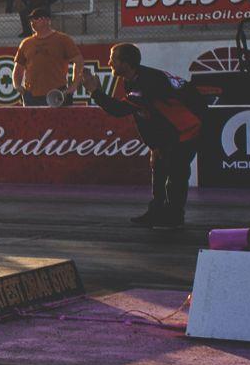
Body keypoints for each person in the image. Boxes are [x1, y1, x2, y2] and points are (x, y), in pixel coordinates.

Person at [80, 46, 206, 230]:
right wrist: (154, 146)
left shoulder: (146, 82)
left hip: (189, 127)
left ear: (126, 63)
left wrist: (95, 92)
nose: (109, 63)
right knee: (160, 166)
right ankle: (157, 210)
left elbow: (120, 110)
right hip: (172, 127)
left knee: (176, 171)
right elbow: (142, 116)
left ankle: (174, 216)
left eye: (113, 59)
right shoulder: (133, 79)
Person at [14, 10, 78, 106]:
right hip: (32, 96)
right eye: (31, 20)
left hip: (57, 95)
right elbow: (18, 68)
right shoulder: (26, 43)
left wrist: (73, 86)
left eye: (34, 19)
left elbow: (79, 61)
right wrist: (18, 86)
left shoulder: (63, 39)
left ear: (45, 20)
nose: (31, 23)